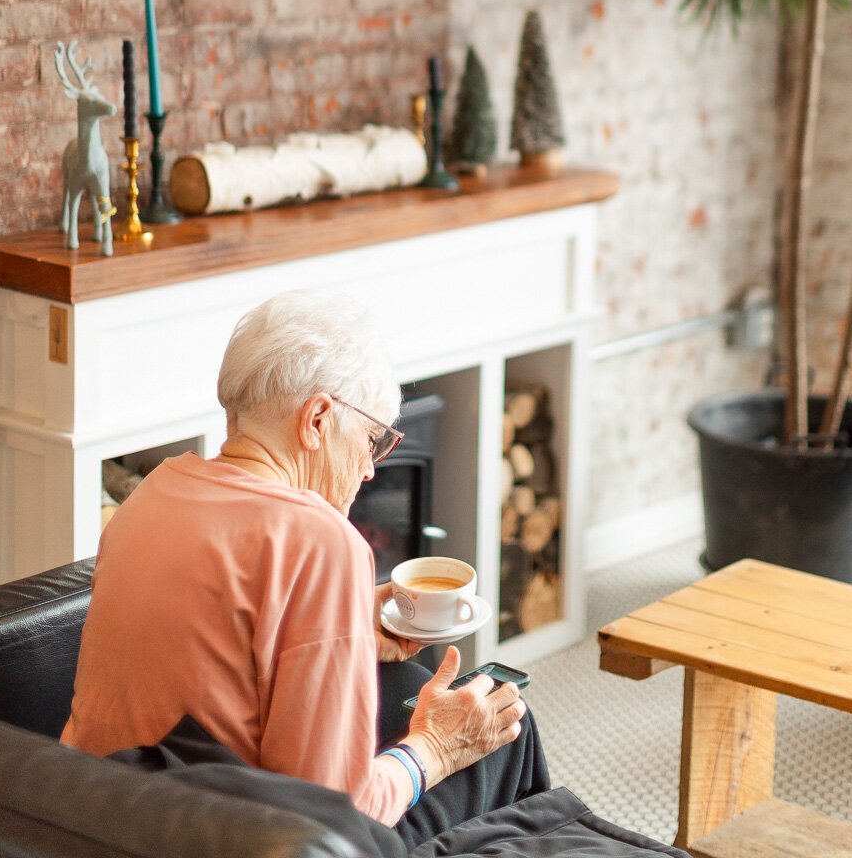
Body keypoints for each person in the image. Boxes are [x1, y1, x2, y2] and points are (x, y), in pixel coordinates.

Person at [63, 289, 549, 847]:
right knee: (504, 731)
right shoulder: (322, 541)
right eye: (371, 439)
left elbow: (219, 663)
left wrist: (346, 626)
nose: (369, 469)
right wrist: (435, 749)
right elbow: (330, 811)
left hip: (95, 814)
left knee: (410, 689)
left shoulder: (153, 494)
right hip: (224, 837)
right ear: (317, 419)